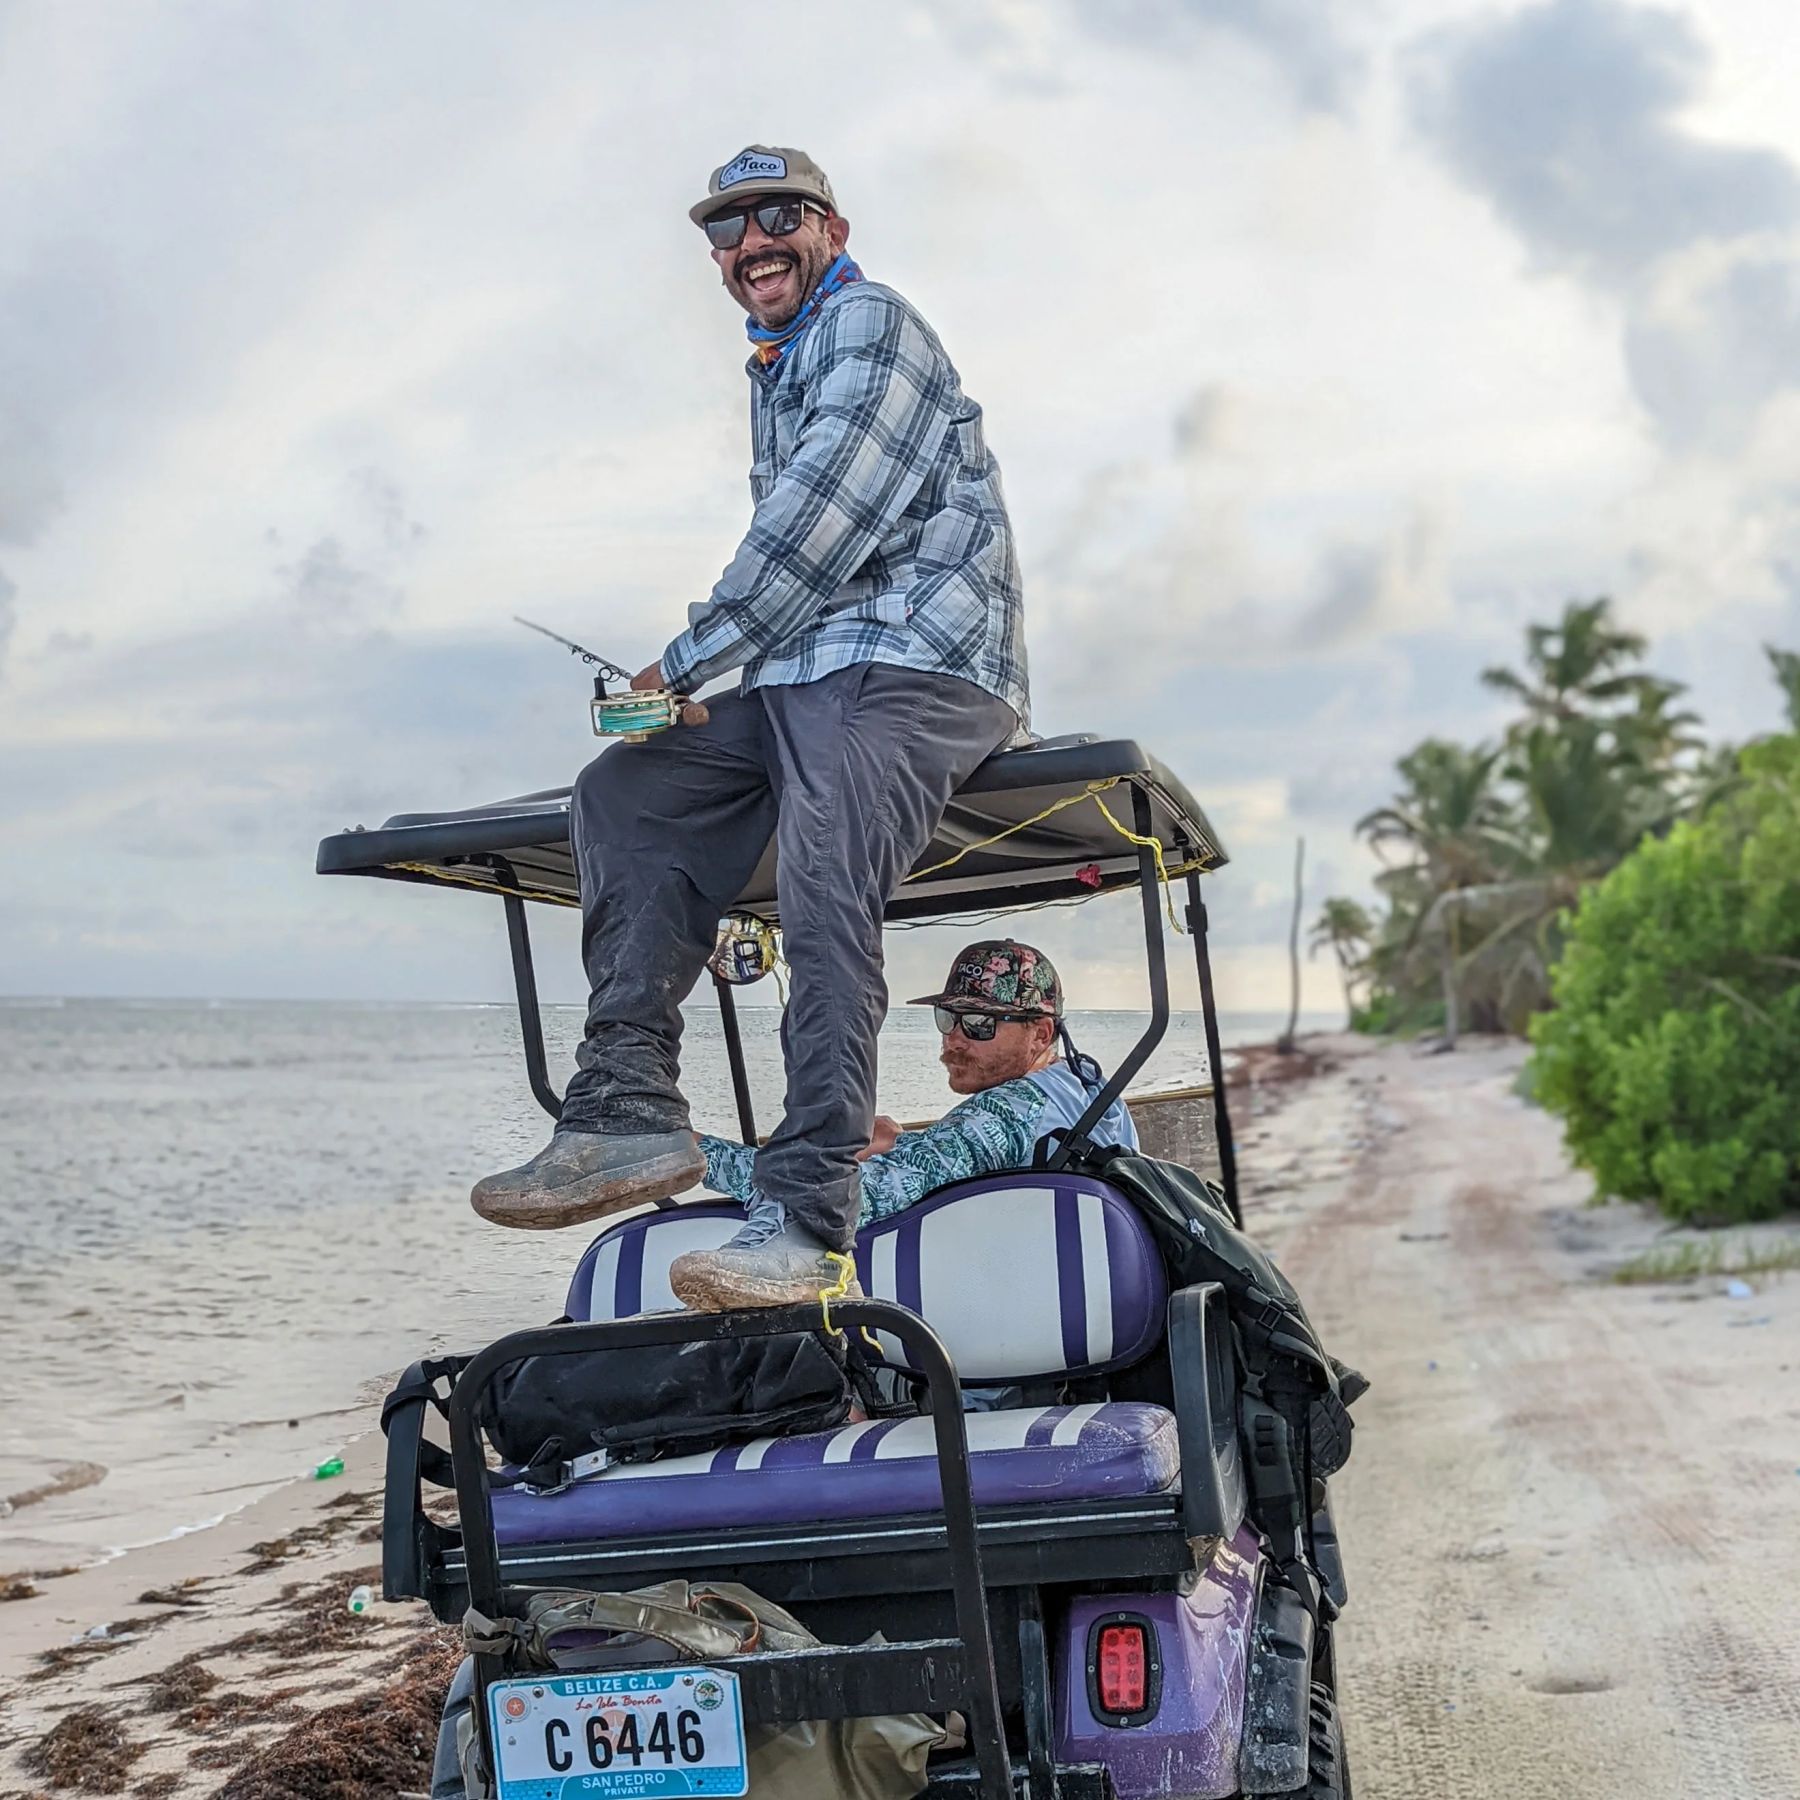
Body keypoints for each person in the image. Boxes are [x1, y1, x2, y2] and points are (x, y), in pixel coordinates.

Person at [472, 146, 1028, 1315]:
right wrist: (683, 703)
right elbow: (798, 593)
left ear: (828, 225)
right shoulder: (777, 367)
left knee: (826, 864)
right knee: (623, 794)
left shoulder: (869, 323)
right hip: (805, 668)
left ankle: (814, 1219)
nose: (748, 244)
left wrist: (678, 663)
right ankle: (624, 1111)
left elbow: (814, 533)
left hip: (923, 662)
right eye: (726, 231)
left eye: (777, 215)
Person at [698, 941, 1137, 1227]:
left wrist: (693, 1153)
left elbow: (837, 1200)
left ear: (1041, 1032)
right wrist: (904, 1145)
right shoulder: (1088, 1088)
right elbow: (972, 1159)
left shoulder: (1004, 1112)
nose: (954, 1038)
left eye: (980, 1023)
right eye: (948, 1018)